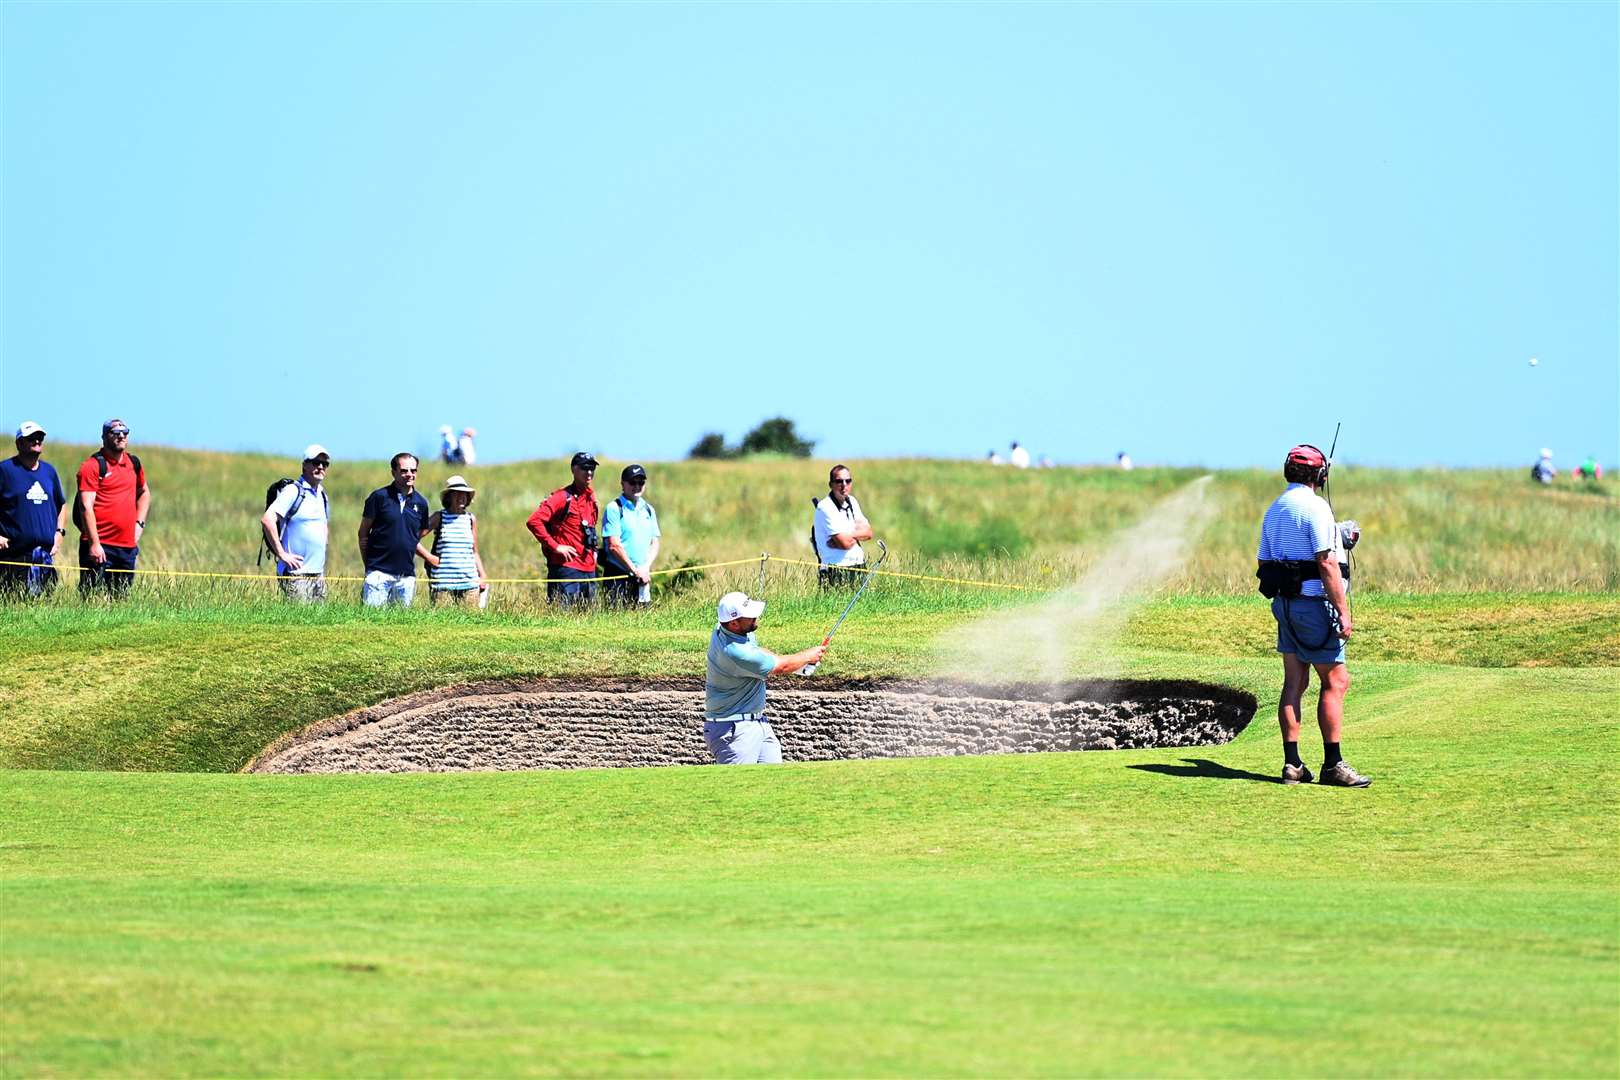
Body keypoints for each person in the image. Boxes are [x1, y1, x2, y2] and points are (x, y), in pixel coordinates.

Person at [1256, 444, 1370, 788]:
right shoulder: (1316, 507)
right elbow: (1325, 563)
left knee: (1294, 682)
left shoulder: (1275, 508)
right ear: (1320, 475)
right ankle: (1333, 764)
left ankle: (1292, 765)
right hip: (1313, 607)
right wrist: (1343, 611)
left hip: (1285, 606)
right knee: (1335, 682)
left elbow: (1264, 563)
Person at [703, 591, 827, 765]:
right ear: (734, 623)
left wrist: (797, 667)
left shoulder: (728, 630)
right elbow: (779, 667)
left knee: (773, 782)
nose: (756, 617)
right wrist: (808, 656)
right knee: (738, 788)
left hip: (757, 722)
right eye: (750, 616)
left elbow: (758, 652)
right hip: (734, 730)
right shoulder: (735, 652)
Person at [76, 418, 149, 599]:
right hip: (99, 547)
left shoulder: (134, 463)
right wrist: (94, 544)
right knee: (91, 598)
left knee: (121, 599)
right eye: (115, 432)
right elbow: (86, 505)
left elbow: (144, 493)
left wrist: (139, 524)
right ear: (104, 436)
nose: (121, 436)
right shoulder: (92, 466)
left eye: (125, 432)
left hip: (126, 547)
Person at [0, 421, 68, 598]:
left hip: (44, 557)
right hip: (13, 556)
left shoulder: (49, 472)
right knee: (14, 607)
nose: (37, 441)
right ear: (19, 443)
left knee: (41, 608)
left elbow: (61, 504)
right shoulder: (5, 470)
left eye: (40, 437)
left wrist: (59, 533)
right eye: (31, 438)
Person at [526, 451, 600, 606]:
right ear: (573, 469)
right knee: (561, 620)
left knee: (589, 622)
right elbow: (534, 521)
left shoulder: (591, 498)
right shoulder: (561, 497)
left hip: (589, 569)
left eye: (592, 468)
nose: (589, 472)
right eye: (585, 468)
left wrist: (594, 553)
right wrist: (555, 546)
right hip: (566, 569)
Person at [357, 453, 430, 607]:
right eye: (404, 470)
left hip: (406, 577)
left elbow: (419, 533)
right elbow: (363, 533)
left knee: (401, 626)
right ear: (394, 472)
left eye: (413, 470)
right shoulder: (379, 497)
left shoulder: (421, 503)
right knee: (371, 624)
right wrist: (369, 566)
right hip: (378, 573)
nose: (409, 474)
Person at [260, 445, 331, 602]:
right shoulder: (293, 491)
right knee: (300, 624)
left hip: (318, 575)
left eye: (324, 464)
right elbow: (267, 520)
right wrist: (282, 554)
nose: (320, 467)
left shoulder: (322, 495)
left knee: (321, 625)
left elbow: (324, 526)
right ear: (304, 465)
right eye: (315, 462)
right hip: (295, 575)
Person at [419, 474, 487, 604]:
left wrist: (483, 575)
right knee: (443, 622)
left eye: (464, 494)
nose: (461, 497)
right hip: (442, 585)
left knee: (472, 622)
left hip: (470, 583)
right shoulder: (439, 517)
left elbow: (474, 551)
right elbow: (412, 538)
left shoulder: (470, 519)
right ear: (449, 497)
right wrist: (429, 557)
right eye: (456, 493)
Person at [599, 463, 660, 607]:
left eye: (641, 482)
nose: (637, 486)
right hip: (618, 575)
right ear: (623, 484)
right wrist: (634, 570)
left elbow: (655, 542)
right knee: (617, 623)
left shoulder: (648, 509)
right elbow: (614, 545)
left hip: (642, 576)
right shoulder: (614, 508)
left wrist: (645, 567)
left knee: (643, 620)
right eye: (632, 482)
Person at [813, 464, 873, 588]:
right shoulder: (825, 507)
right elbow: (844, 543)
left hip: (859, 566)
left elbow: (868, 533)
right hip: (836, 569)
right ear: (831, 484)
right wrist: (853, 536)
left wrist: (848, 535)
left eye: (848, 481)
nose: (844, 485)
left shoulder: (852, 501)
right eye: (839, 481)